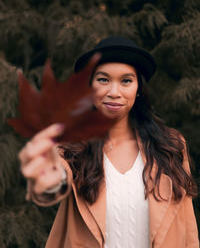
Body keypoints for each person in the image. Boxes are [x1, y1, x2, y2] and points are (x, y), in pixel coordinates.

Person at [19, 36, 199, 248]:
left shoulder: (170, 146)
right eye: (103, 80)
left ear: (138, 88)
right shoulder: (71, 147)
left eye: (126, 81)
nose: (114, 93)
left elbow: (188, 229)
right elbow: (51, 184)